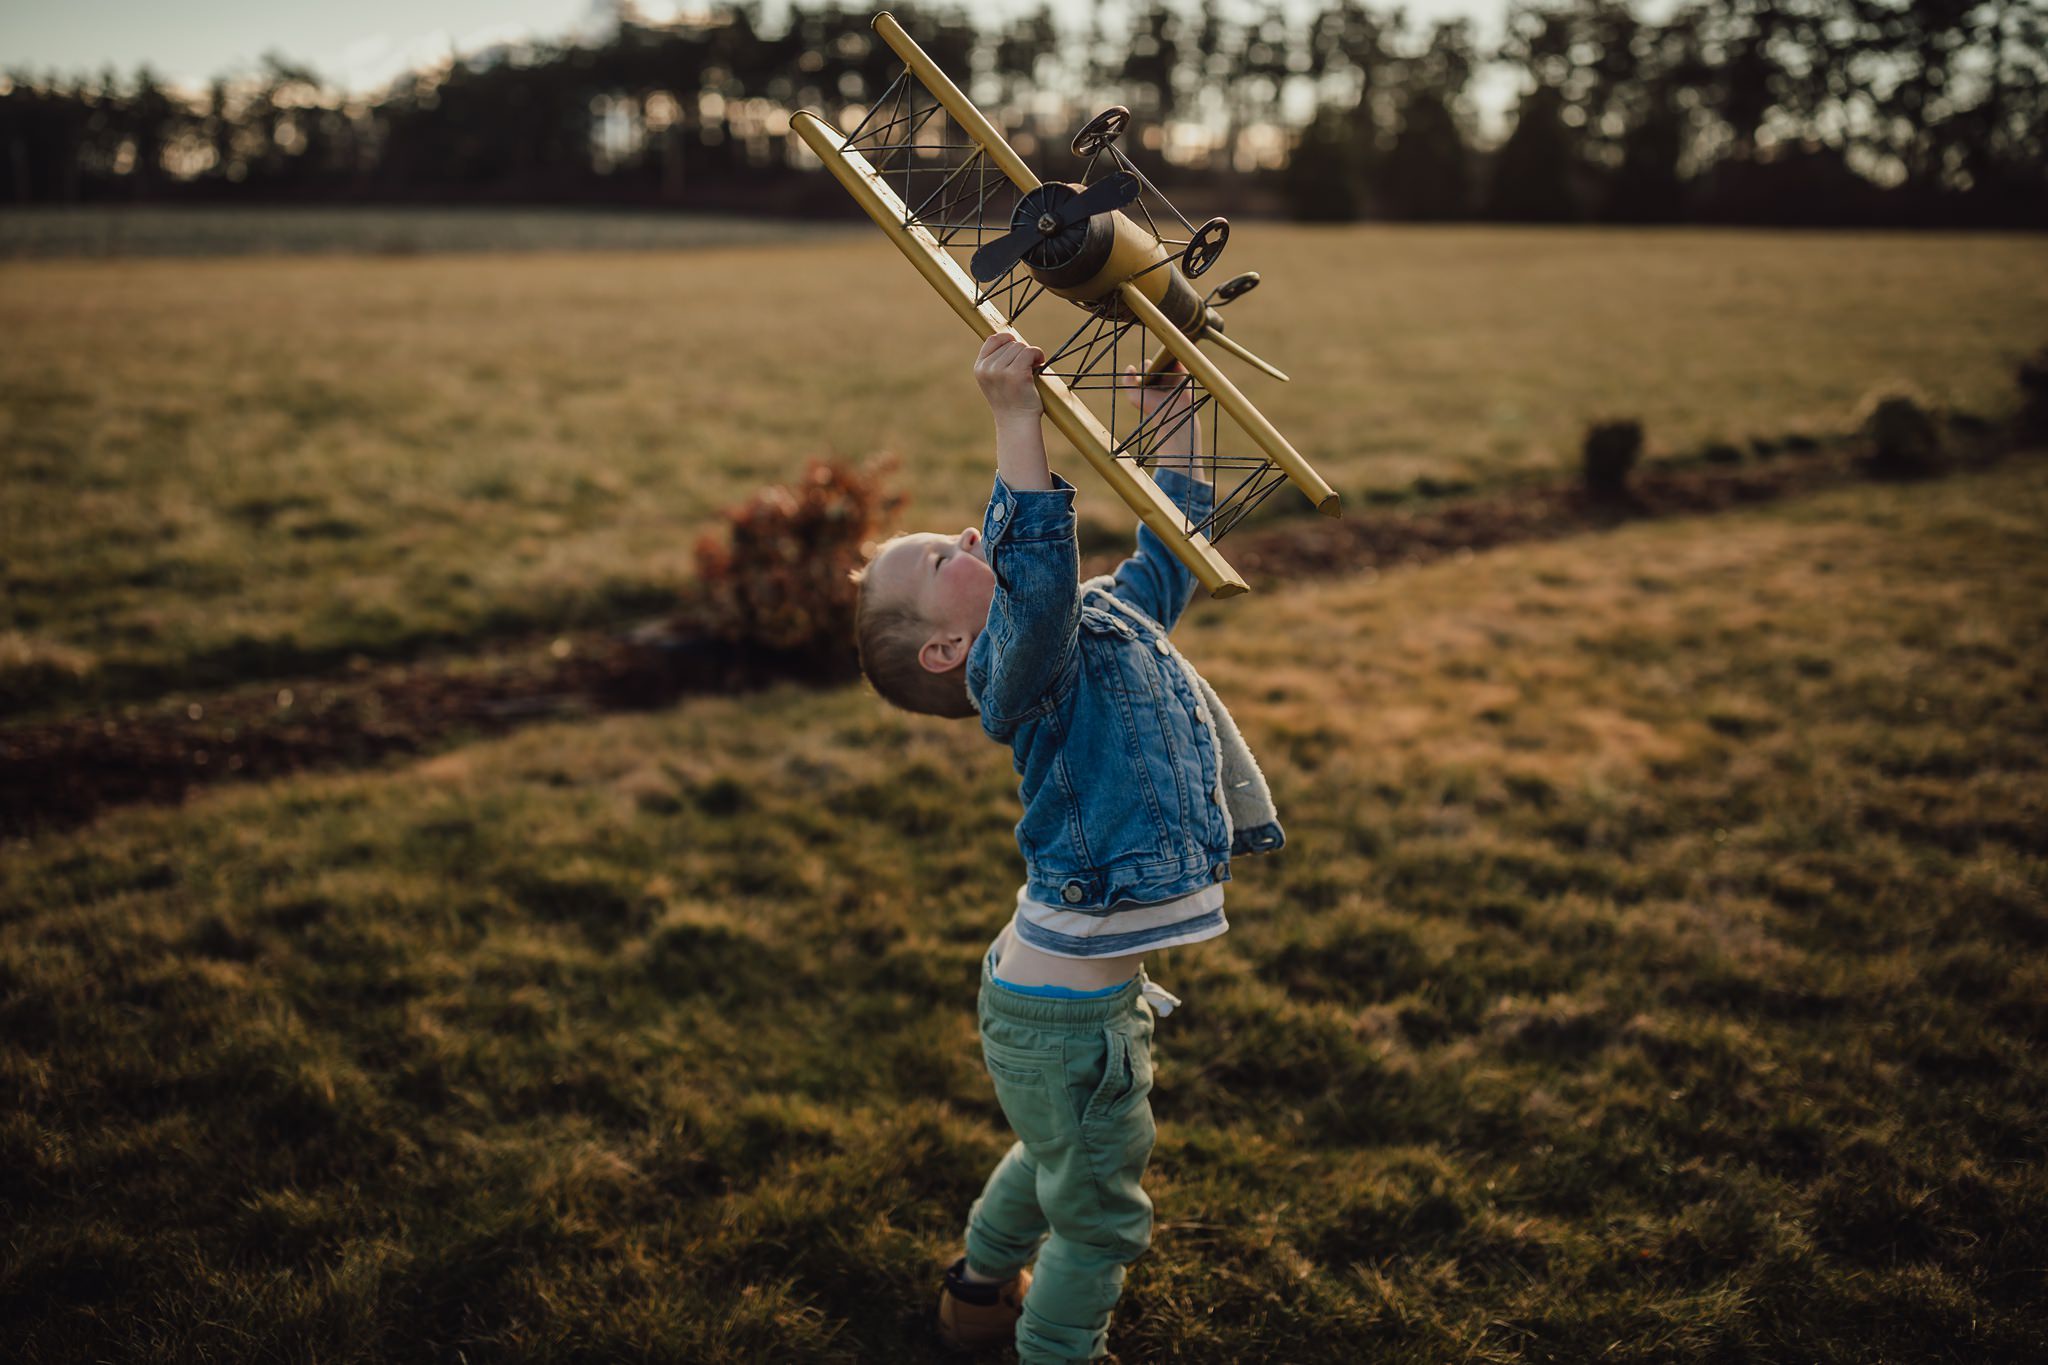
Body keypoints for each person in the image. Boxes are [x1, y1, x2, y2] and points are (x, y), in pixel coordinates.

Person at [849, 328, 1285, 1363]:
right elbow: (1035, 586)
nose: (965, 535)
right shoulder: (1019, 676)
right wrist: (1015, 421)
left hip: (1057, 1006)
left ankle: (974, 1293)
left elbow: (1166, 565)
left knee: (1054, 1161)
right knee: (1096, 1221)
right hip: (1066, 1023)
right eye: (946, 558)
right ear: (948, 652)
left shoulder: (1092, 624)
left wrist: (1166, 432)